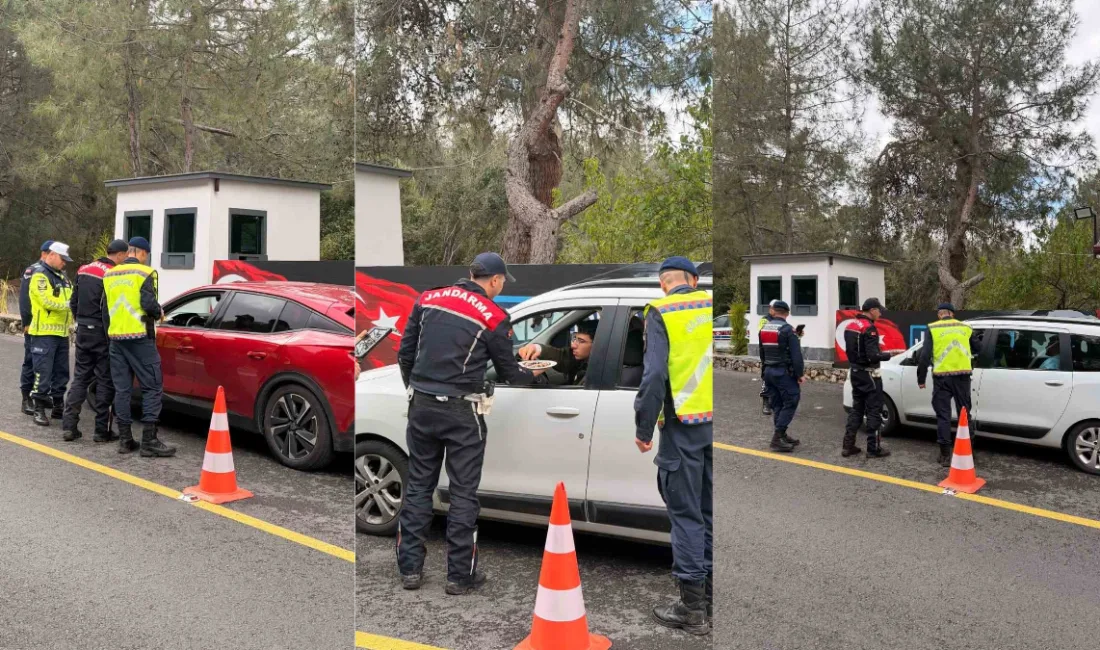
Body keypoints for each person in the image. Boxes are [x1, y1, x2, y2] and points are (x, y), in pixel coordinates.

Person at [395, 252, 543, 595]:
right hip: (463, 413)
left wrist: (417, 390)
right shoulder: (493, 316)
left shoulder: (427, 299)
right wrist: (534, 374)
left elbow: (405, 354)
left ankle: (410, 571)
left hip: (421, 405)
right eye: (502, 281)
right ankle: (459, 576)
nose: (502, 286)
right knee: (462, 493)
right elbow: (508, 372)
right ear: (494, 280)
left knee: (418, 486)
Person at [635, 257, 713, 636]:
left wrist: (643, 427)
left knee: (686, 516)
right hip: (715, 425)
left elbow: (653, 376)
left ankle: (693, 608)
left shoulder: (662, 311)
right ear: (694, 281)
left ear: (663, 284)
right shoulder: (710, 306)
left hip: (683, 429)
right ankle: (710, 595)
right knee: (711, 514)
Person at [101, 237, 175, 457]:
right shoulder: (145, 273)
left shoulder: (109, 274)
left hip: (116, 339)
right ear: (142, 253)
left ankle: (125, 440)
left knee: (122, 390)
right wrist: (159, 312)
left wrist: (110, 336)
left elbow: (104, 310)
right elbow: (149, 304)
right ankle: (149, 440)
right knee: (152, 386)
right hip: (140, 338)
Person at [60, 239, 129, 442]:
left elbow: (74, 301)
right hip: (102, 332)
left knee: (80, 378)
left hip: (83, 329)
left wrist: (80, 321)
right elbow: (112, 307)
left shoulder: (84, 269)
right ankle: (101, 431)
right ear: (120, 255)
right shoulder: (112, 273)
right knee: (105, 380)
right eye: (125, 256)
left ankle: (69, 427)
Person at [917, 303, 978, 467]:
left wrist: (921, 379)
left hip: (942, 378)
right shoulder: (965, 328)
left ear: (940, 315)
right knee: (964, 414)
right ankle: (969, 452)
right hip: (963, 377)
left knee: (943, 416)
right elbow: (978, 348)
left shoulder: (933, 328)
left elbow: (924, 356)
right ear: (952, 314)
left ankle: (945, 455)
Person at [27, 242, 74, 426]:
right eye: (63, 259)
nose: (65, 264)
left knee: (62, 372)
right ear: (52, 255)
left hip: (62, 333)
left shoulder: (63, 277)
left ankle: (58, 405)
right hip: (43, 333)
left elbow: (72, 297)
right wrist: (69, 306)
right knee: (43, 372)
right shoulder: (40, 276)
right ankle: (38, 407)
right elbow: (46, 301)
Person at [842, 298, 894, 458]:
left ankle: (848, 446)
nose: (880, 313)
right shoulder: (869, 328)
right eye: (879, 310)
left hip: (855, 372)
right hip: (869, 374)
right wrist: (888, 355)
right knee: (874, 410)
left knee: (856, 409)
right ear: (872, 310)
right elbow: (873, 356)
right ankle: (873, 448)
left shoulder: (850, 325)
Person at [760, 301, 803, 452]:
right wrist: (799, 374)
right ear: (787, 313)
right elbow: (796, 356)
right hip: (783, 372)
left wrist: (764, 371)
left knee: (777, 403)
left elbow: (762, 353)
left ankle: (782, 434)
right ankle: (777, 437)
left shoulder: (764, 328)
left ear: (774, 311)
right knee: (791, 401)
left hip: (769, 372)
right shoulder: (788, 330)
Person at [18, 241, 54, 416]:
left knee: (45, 364)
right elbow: (25, 300)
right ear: (46, 253)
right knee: (31, 361)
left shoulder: (53, 272)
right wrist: (27, 322)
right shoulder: (32, 271)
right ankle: (26, 399)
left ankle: (41, 395)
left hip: (48, 328)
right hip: (34, 325)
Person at [516, 317, 597, 385]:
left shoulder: (596, 373)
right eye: (575, 339)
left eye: (581, 341)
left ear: (597, 344)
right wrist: (537, 348)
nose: (573, 345)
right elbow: (563, 357)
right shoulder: (582, 358)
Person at [757, 300, 779, 415]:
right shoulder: (764, 320)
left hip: (778, 354)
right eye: (774, 308)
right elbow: (762, 333)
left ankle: (775, 402)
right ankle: (766, 403)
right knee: (767, 377)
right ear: (770, 309)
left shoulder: (780, 320)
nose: (775, 310)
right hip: (766, 354)